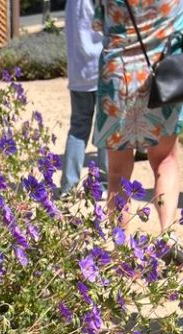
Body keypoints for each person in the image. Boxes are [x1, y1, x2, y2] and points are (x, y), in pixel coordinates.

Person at [94, 0, 183, 258]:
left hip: (119, 76)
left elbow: (98, 22)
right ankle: (168, 237)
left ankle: (122, 247)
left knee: (118, 172)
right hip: (167, 73)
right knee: (165, 160)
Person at [61, 0, 108, 194]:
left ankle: (68, 186)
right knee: (106, 128)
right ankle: (104, 183)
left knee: (78, 128)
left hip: (78, 71)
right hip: (102, 66)